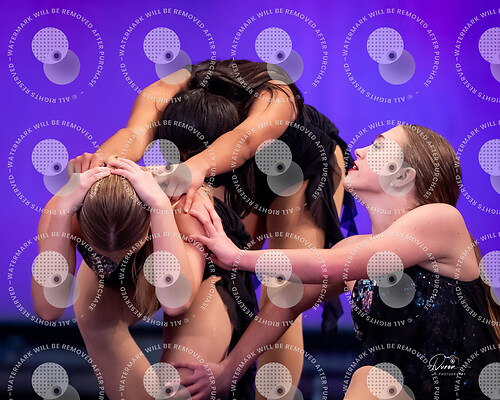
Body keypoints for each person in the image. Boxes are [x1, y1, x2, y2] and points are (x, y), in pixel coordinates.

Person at [69, 59, 356, 396]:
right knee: (223, 251)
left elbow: (244, 142)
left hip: (293, 160)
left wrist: (191, 170)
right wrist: (100, 165)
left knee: (284, 286)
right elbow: (133, 135)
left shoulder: (276, 97)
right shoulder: (163, 93)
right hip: (218, 162)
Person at [183, 124, 500, 399]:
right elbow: (285, 303)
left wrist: (237, 256)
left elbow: (333, 264)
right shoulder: (355, 249)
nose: (359, 150)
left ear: (404, 176)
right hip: (395, 389)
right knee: (372, 377)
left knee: (371, 378)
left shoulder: (442, 220)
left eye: (378, 147)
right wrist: (229, 370)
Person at [31, 90, 259, 399]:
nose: (114, 262)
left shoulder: (183, 211)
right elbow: (48, 309)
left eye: (124, 254)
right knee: (97, 321)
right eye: (103, 258)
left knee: (178, 390)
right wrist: (60, 211)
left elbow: (176, 302)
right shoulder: (64, 214)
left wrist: (160, 207)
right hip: (120, 282)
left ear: (145, 231)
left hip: (198, 276)